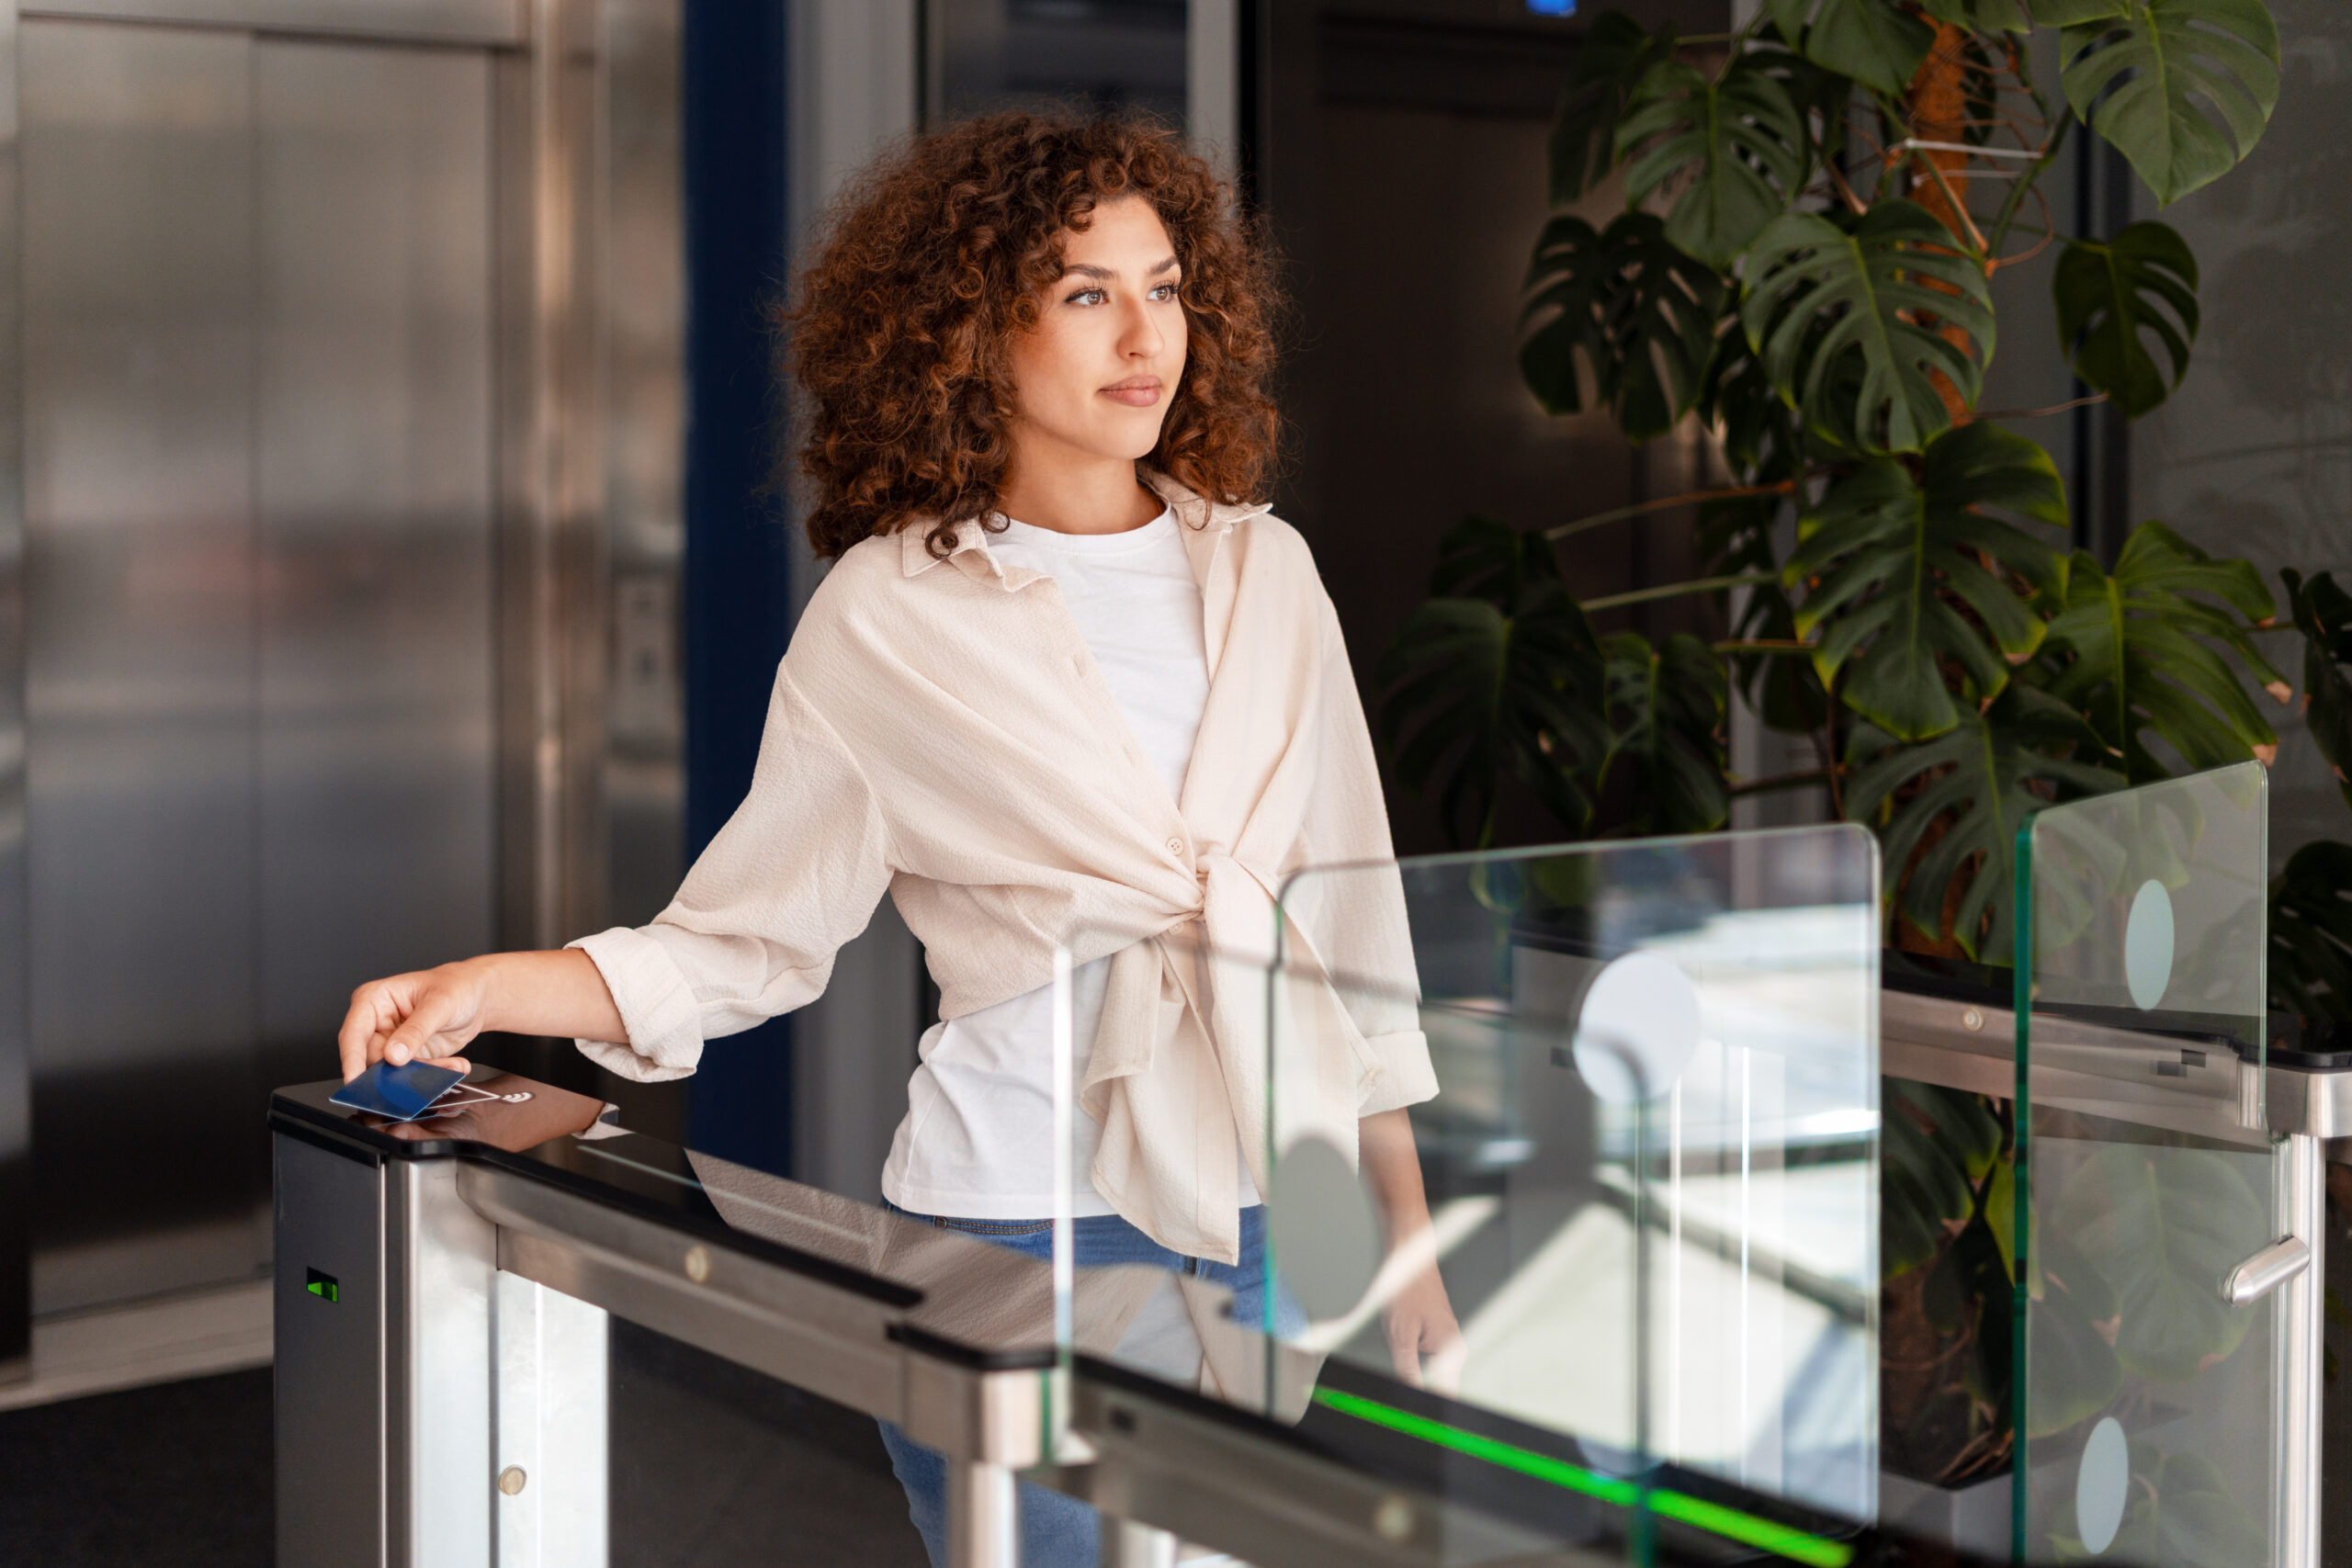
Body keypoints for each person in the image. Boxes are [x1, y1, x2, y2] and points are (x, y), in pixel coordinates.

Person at [335, 109, 1458, 1567]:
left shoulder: (1267, 569)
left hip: (1267, 1207)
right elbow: (741, 940)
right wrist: (492, 989)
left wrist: (1405, 1229)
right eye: (1085, 293)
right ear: (973, 333)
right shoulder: (892, 612)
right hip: (1020, 1224)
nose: (1145, 336)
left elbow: (1345, 929)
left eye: (1167, 286)